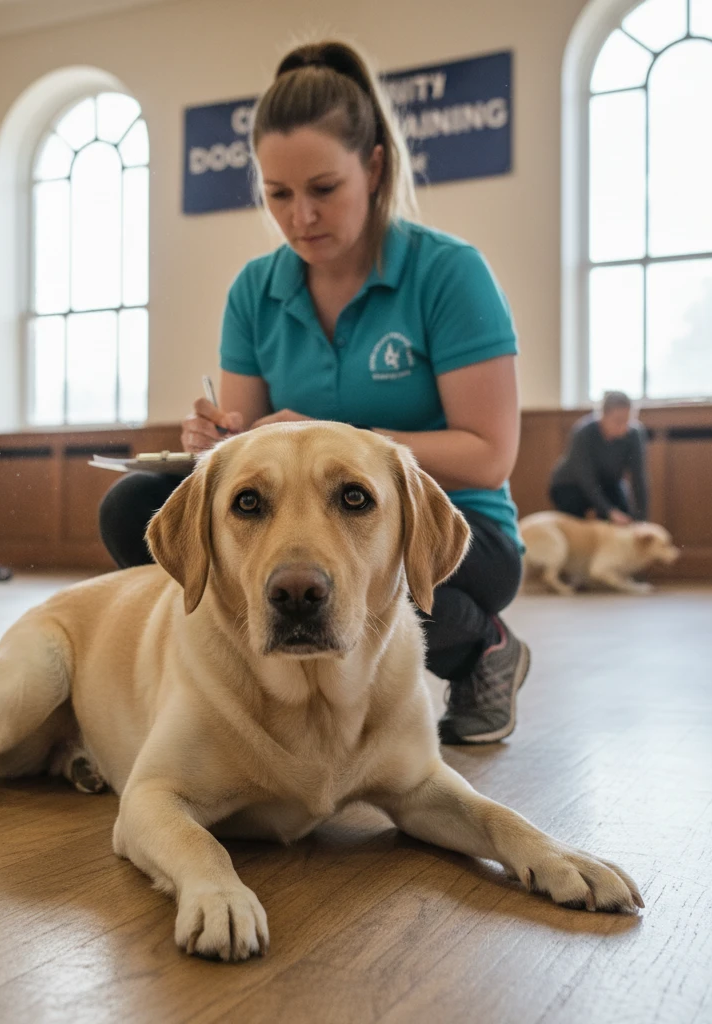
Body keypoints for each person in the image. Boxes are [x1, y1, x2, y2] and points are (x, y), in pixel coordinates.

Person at [99, 40, 528, 745]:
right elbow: (253, 438)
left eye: (323, 189)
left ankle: (483, 646)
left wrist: (341, 432)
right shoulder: (252, 291)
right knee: (134, 512)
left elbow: (488, 457)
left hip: (454, 524)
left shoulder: (450, 273)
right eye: (278, 195)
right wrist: (220, 446)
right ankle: (218, 688)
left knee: (394, 574)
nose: (301, 216)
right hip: (297, 521)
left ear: (375, 167)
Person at [549, 391, 648, 524]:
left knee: (625, 516)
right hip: (571, 485)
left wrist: (642, 519)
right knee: (583, 516)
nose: (624, 427)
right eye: (618, 421)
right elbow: (585, 478)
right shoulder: (583, 433)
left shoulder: (634, 434)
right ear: (603, 416)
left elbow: (639, 477)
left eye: (627, 421)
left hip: (608, 485)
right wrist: (608, 511)